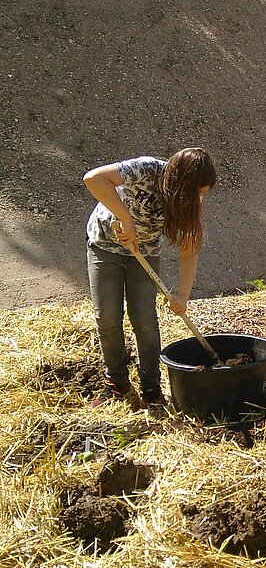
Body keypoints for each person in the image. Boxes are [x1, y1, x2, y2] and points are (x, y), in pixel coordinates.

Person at [83, 148, 217, 409]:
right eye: (198, 192)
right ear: (182, 183)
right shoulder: (147, 169)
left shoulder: (189, 202)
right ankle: (117, 383)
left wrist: (182, 296)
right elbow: (93, 178)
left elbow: (189, 252)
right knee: (107, 317)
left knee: (144, 319)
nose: (200, 199)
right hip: (104, 246)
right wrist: (126, 219)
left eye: (203, 193)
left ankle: (151, 386)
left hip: (144, 254)